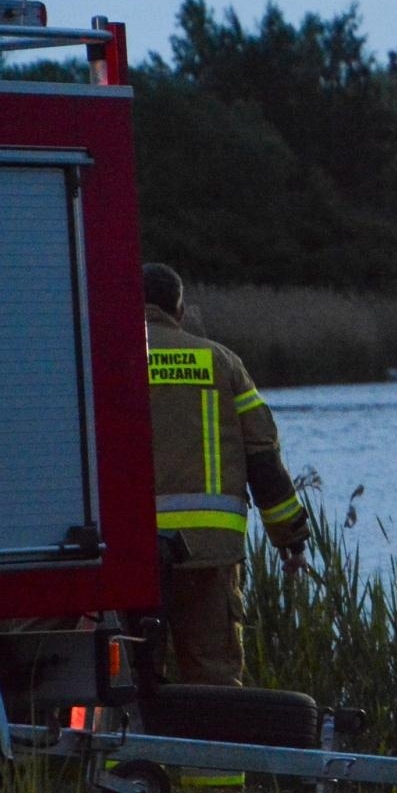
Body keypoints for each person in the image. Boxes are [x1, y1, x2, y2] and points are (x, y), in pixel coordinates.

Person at [142, 263, 310, 686]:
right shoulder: (221, 362)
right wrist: (290, 537)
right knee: (214, 678)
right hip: (209, 551)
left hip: (128, 553)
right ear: (179, 310)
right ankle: (213, 751)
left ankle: (130, 753)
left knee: (127, 679)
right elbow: (263, 459)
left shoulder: (103, 358)